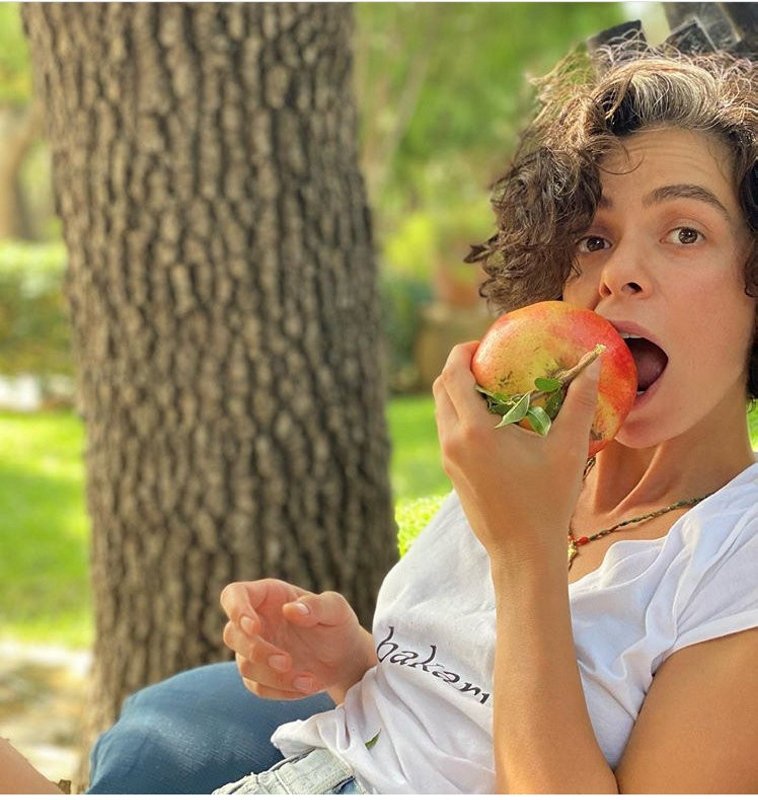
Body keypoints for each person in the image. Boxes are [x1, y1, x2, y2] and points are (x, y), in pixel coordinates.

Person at [3, 34, 758, 794]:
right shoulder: (516, 461)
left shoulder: (734, 565)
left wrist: (525, 553)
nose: (619, 273)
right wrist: (354, 667)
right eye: (593, 238)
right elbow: (449, 732)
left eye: (685, 233)